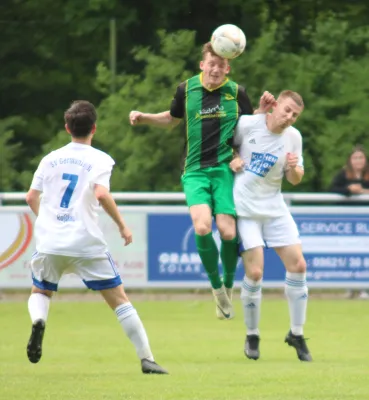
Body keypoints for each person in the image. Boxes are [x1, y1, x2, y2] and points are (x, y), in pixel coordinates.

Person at [129, 42, 274, 320]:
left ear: (228, 68)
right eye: (212, 63)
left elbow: (248, 127)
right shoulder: (186, 89)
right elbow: (172, 120)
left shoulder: (236, 92)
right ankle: (217, 288)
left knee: (229, 233)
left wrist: (260, 111)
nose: (216, 69)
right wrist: (144, 117)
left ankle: (229, 284)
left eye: (222, 65)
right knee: (203, 225)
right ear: (202, 65)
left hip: (223, 170)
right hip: (194, 169)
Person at [25, 100, 168, 374]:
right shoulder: (100, 159)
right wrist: (122, 225)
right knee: (119, 300)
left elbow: (31, 197)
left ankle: (39, 322)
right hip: (85, 242)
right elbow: (101, 194)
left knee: (40, 291)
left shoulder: (50, 158)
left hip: (50, 242)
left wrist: (48, 221)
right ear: (94, 128)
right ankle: (147, 359)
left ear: (67, 127)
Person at [231, 90, 312, 361]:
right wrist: (232, 158)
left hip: (275, 209)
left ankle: (296, 333)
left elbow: (296, 178)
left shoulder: (294, 137)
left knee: (298, 265)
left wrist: (293, 169)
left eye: (295, 115)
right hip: (246, 209)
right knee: (255, 273)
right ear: (275, 105)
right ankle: (252, 334)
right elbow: (223, 145)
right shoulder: (248, 123)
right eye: (287, 110)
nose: (289, 117)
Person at [329, 145, 369, 299]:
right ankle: (352, 288)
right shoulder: (343, 175)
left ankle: (364, 288)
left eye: (361, 158)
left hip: (365, 222)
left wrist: (362, 192)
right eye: (355, 158)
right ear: (350, 161)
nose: (358, 161)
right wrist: (349, 190)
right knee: (350, 254)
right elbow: (332, 189)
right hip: (348, 224)